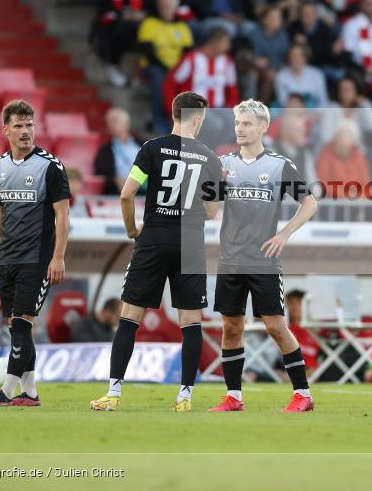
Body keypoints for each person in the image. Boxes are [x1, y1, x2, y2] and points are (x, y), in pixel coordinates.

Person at [90, 92, 222, 413]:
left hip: (153, 239)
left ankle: (113, 393)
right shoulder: (210, 158)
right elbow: (211, 211)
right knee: (190, 322)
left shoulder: (151, 149)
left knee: (130, 316)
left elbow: (126, 195)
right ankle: (185, 398)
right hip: (189, 243)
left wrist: (132, 230)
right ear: (196, 118)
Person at [209, 100, 318, 413]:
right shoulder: (223, 163)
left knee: (274, 326)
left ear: (262, 127)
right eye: (237, 123)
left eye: (246, 124)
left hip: (263, 261)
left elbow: (310, 203)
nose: (240, 129)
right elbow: (210, 208)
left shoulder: (278, 165)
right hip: (230, 258)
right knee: (231, 328)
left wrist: (284, 234)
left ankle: (302, 394)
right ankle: (234, 397)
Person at [0, 100, 71, 408]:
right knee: (19, 328)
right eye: (18, 125)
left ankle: (5, 392)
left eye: (30, 125)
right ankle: (29, 393)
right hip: (8, 260)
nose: (25, 131)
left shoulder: (50, 166)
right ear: (6, 130)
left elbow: (63, 216)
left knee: (21, 325)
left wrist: (58, 257)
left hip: (37, 259)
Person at [137, 0, 195, 132]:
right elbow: (147, 51)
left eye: (169, 7)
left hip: (176, 68)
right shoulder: (149, 23)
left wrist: (177, 69)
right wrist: (167, 68)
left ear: (175, 8)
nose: (165, 9)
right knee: (159, 79)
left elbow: (187, 51)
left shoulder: (182, 26)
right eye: (163, 6)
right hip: (154, 66)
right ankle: (160, 122)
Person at [95, 0, 146, 87]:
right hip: (113, 18)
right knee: (120, 27)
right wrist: (125, 14)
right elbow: (103, 4)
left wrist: (139, 14)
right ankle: (112, 63)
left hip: (135, 18)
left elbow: (145, 2)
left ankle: (140, 72)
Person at [94, 107, 142, 196]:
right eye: (108, 122)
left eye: (114, 121)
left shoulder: (143, 144)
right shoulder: (105, 150)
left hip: (143, 192)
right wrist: (114, 180)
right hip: (117, 194)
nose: (110, 124)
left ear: (126, 124)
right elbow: (100, 174)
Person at [282, 289, 319, 378]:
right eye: (291, 303)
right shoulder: (283, 329)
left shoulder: (316, 330)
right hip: (288, 369)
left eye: (299, 303)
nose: (295, 307)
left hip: (314, 370)